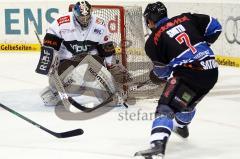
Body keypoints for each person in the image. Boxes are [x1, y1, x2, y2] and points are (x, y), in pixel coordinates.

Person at [135, 1, 222, 158]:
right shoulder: (186, 18)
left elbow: (162, 73)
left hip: (189, 74)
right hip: (211, 71)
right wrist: (204, 46)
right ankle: (182, 126)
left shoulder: (153, 40)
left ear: (149, 21)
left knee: (165, 108)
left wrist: (154, 76)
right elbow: (215, 26)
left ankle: (157, 145)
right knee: (186, 101)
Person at [35, 1, 130, 107]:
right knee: (71, 86)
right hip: (67, 65)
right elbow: (49, 46)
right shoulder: (61, 23)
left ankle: (109, 95)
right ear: (75, 15)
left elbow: (106, 48)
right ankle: (54, 92)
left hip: (91, 66)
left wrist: (110, 66)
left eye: (87, 17)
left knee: (89, 65)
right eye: (81, 17)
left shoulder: (99, 24)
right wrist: (49, 60)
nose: (85, 20)